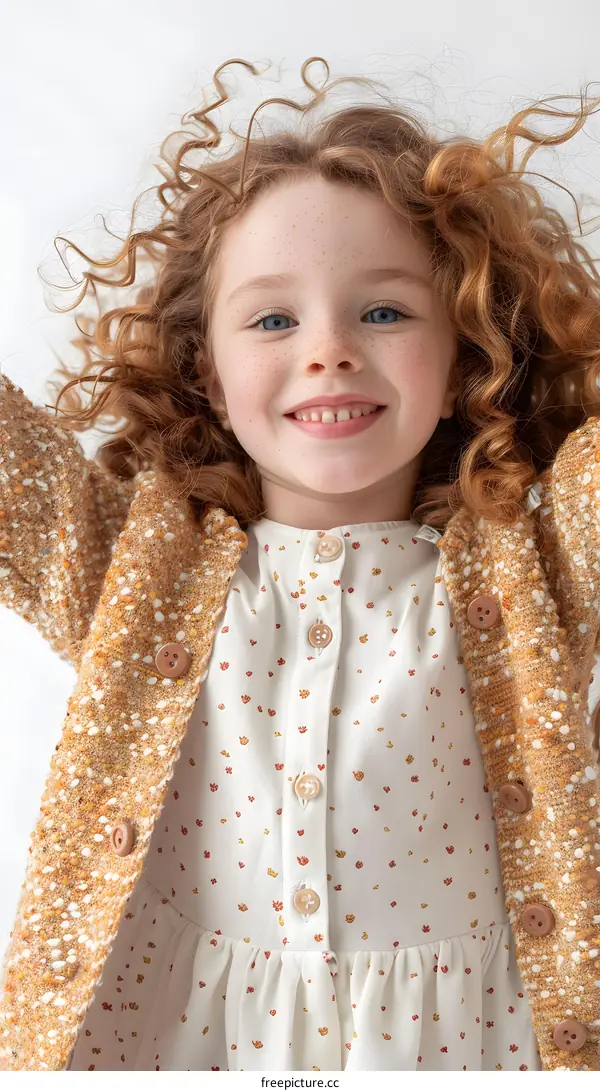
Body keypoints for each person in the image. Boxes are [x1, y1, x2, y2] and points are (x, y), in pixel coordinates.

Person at [2, 57, 600, 1072]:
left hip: (463, 1045)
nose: (328, 349)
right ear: (209, 371)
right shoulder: (136, 576)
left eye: (385, 311)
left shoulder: (532, 571)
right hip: (189, 1040)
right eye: (274, 319)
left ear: (464, 358)